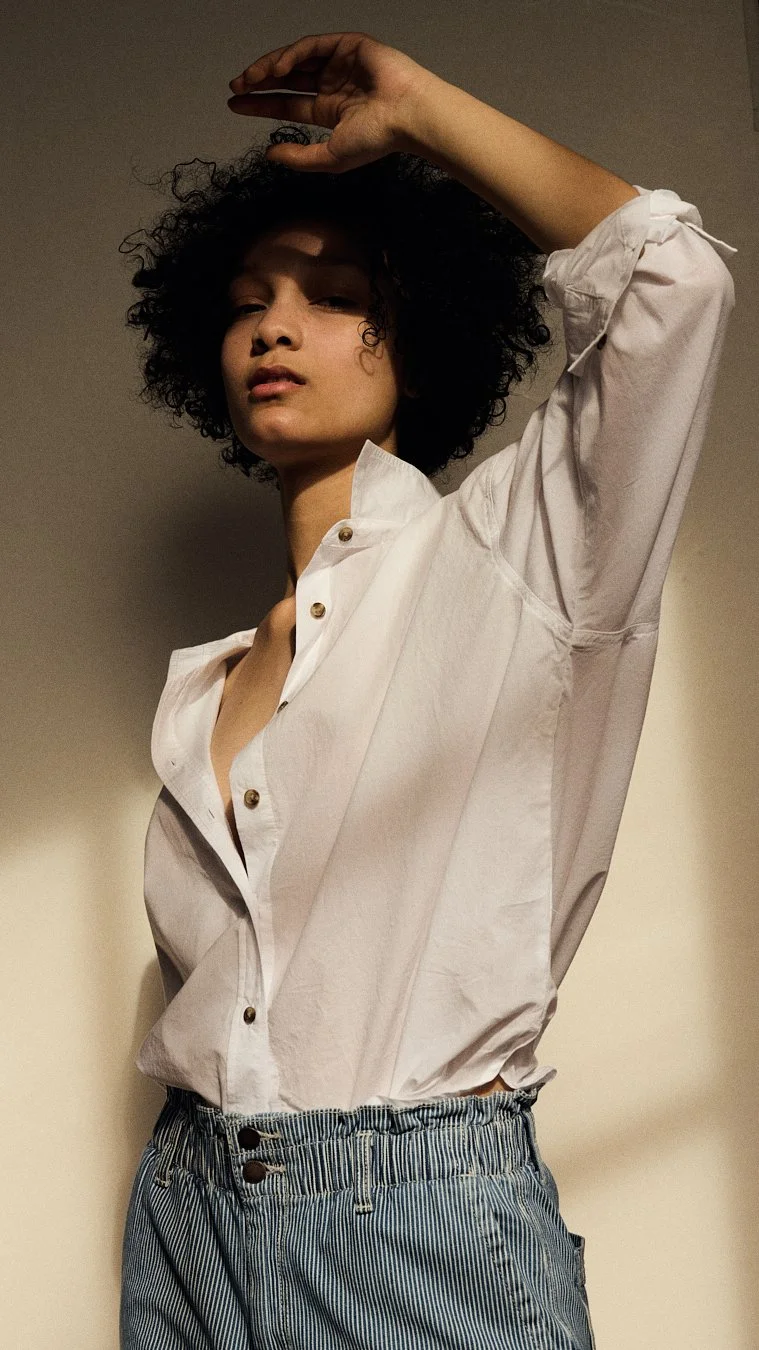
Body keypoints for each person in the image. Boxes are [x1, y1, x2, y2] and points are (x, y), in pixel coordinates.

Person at [118, 30, 737, 1350]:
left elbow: (670, 284)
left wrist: (422, 115)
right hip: (188, 1217)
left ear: (422, 331)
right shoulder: (204, 690)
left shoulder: (524, 557)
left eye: (332, 291)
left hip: (417, 1227)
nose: (275, 323)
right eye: (246, 299)